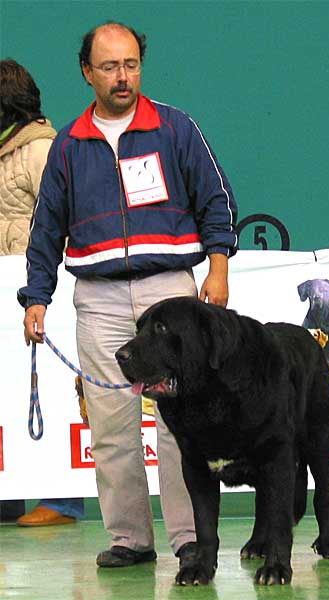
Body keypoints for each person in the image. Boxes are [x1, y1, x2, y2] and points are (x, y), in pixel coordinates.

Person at [18, 22, 238, 567]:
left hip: (172, 292)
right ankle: (130, 539)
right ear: (87, 72)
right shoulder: (69, 144)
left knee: (179, 424)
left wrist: (219, 269)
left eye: (132, 64)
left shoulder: (175, 128)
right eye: (111, 66)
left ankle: (191, 540)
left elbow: (216, 200)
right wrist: (37, 298)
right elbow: (46, 228)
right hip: (98, 298)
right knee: (112, 426)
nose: (124, 77)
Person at [0, 58, 84, 526]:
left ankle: (63, 501)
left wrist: (42, 286)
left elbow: (62, 224)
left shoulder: (42, 150)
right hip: (5, 293)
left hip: (41, 290)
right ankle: (9, 495)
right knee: (7, 392)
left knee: (50, 388)